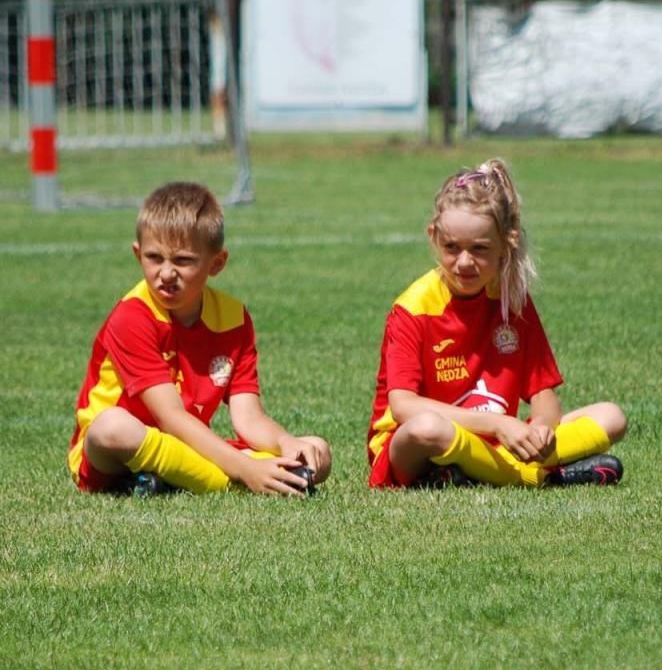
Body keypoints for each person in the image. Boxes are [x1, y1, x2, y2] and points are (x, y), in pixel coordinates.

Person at [366, 159, 627, 489]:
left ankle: (476, 472)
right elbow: (404, 407)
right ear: (433, 236)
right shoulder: (413, 307)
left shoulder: (512, 301)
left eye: (480, 249)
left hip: (493, 441)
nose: (464, 262)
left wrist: (543, 429)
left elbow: (543, 395)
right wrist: (499, 424)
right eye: (451, 248)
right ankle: (535, 476)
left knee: (611, 416)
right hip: (413, 447)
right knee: (428, 429)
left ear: (507, 243)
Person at [68, 182, 330, 496]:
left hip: (188, 447)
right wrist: (246, 469)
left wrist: (284, 442)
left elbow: (249, 417)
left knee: (316, 449)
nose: (165, 273)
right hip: (116, 453)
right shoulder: (132, 317)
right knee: (112, 427)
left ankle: (169, 480)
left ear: (216, 263)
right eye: (154, 258)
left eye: (182, 261)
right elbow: (171, 418)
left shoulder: (233, 318)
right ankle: (235, 485)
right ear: (137, 254)